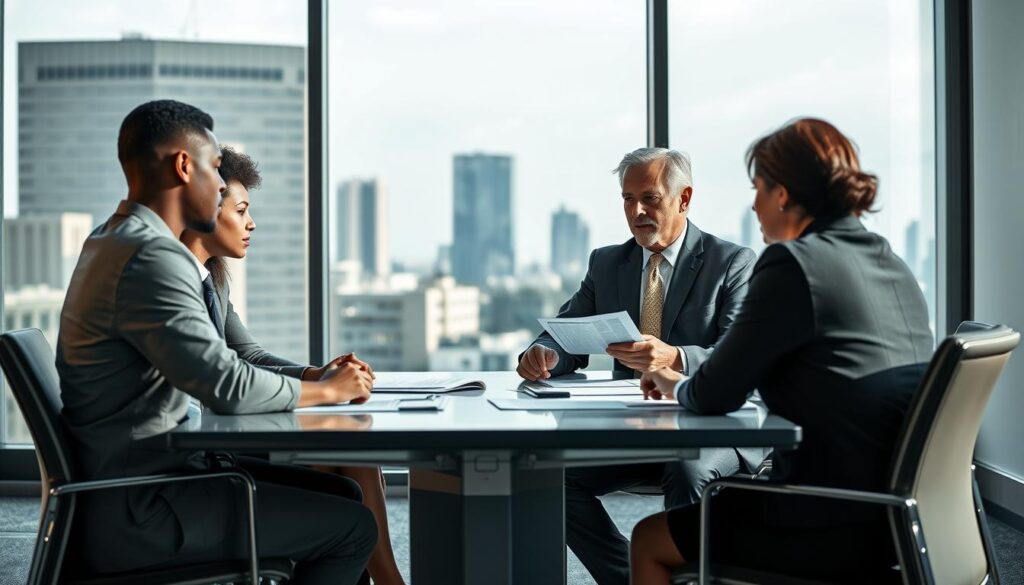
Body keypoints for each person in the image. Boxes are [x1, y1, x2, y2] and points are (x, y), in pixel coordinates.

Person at [57, 100, 377, 585]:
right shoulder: (150, 257)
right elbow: (226, 383)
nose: (220, 185)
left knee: (343, 498)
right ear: (184, 167)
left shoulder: (115, 238)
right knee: (354, 528)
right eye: (213, 170)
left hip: (140, 484)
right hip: (145, 507)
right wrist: (327, 391)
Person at [630, 118, 933, 584]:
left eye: (758, 189)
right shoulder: (891, 262)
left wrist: (675, 384)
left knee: (649, 540)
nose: (753, 205)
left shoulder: (794, 265)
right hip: (900, 517)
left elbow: (716, 395)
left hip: (822, 517)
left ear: (783, 194)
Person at [516, 147, 757, 585]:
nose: (637, 211)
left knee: (688, 470)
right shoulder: (608, 263)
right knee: (547, 474)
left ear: (684, 199)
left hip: (706, 427)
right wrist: (544, 353)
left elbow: (740, 355)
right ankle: (633, 578)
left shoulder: (732, 263)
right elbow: (566, 332)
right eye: (628, 199)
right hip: (631, 430)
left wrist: (675, 357)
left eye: (650, 198)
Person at [180, 145, 406, 585]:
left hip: (215, 444)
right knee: (346, 485)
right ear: (207, 207)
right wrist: (324, 390)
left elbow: (248, 355)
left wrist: (316, 374)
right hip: (203, 457)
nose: (251, 223)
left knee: (350, 474)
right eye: (241, 209)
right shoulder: (175, 282)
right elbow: (224, 379)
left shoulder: (210, 278)